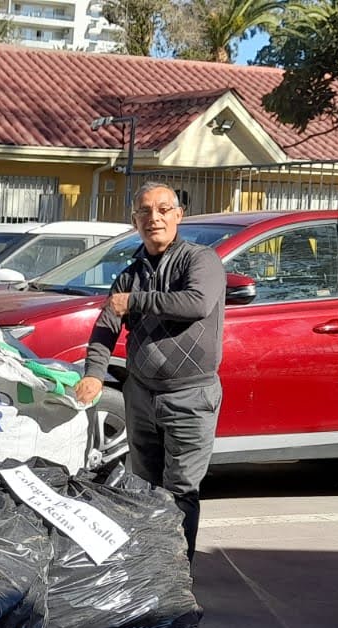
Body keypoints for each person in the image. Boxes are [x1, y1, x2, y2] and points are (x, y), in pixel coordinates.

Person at [75, 181, 226, 559]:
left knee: (181, 492)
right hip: (141, 395)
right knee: (142, 489)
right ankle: (149, 573)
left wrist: (136, 301)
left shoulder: (200, 260)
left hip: (191, 397)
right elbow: (106, 327)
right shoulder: (129, 274)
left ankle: (177, 578)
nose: (153, 218)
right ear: (134, 220)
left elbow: (196, 303)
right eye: (145, 211)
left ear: (179, 215)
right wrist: (93, 372)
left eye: (163, 209)